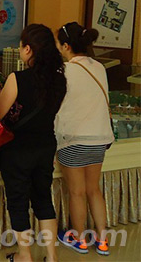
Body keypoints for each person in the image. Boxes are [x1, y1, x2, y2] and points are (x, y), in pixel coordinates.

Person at [0, 24, 66, 262]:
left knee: (18, 201)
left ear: (29, 49)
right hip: (45, 145)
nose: (20, 50)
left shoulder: (18, 78)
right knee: (43, 198)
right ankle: (52, 257)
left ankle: (25, 255)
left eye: (21, 46)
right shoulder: (60, 80)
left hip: (18, 149)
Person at [55, 22, 114, 256]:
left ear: (66, 46)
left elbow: (58, 107)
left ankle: (79, 239)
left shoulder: (63, 71)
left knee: (77, 192)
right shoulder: (99, 67)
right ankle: (102, 240)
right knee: (93, 190)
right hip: (99, 137)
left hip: (73, 139)